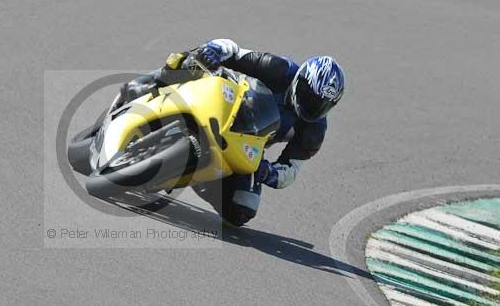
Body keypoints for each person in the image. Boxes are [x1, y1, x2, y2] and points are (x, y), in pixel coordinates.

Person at [120, 39, 346, 226]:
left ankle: (199, 177)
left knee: (242, 210)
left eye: (321, 104)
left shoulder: (314, 130)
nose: (312, 107)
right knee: (194, 61)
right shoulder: (279, 68)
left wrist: (269, 172)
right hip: (223, 102)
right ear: (301, 80)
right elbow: (234, 52)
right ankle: (151, 85)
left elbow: (291, 169)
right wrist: (215, 50)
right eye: (309, 96)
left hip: (244, 143)